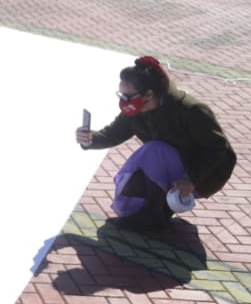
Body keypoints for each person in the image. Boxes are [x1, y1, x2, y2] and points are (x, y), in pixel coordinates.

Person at [75, 56, 235, 232]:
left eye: (127, 96)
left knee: (153, 151)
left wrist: (191, 180)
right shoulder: (135, 110)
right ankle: (147, 212)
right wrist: (91, 139)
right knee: (139, 173)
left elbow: (218, 148)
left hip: (205, 173)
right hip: (172, 164)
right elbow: (113, 133)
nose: (124, 101)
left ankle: (154, 216)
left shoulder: (191, 110)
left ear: (149, 94)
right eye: (121, 95)